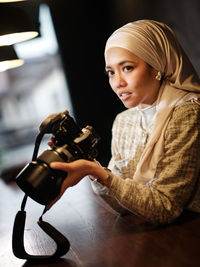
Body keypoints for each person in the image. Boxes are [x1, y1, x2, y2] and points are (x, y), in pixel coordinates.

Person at [48, 19, 200, 225]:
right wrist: (88, 165)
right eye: (111, 72)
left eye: (127, 68)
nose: (118, 82)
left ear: (157, 66)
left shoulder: (188, 113)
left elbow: (166, 207)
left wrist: (97, 172)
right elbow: (122, 205)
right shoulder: (124, 121)